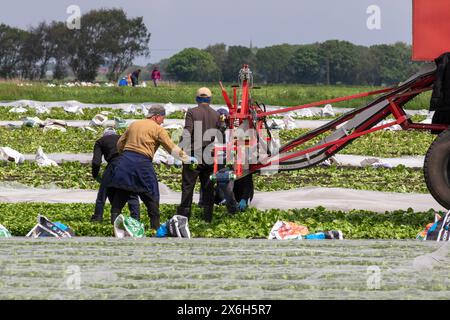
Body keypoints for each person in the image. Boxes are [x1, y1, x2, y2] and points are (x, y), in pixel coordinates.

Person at [108, 105, 196, 230]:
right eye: (162, 118)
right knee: (151, 194)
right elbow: (170, 147)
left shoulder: (134, 124)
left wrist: (125, 156)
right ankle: (155, 227)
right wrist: (186, 158)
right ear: (156, 117)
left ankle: (114, 226)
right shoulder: (158, 129)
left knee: (121, 193)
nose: (163, 121)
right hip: (142, 163)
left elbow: (120, 143)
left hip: (125, 162)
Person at [177, 87, 220, 223]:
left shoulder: (192, 112)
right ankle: (208, 218)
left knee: (188, 186)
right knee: (208, 187)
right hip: (209, 155)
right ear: (209, 99)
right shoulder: (216, 114)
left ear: (197, 99)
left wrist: (180, 151)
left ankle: (184, 217)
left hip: (193, 155)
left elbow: (187, 132)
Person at [91, 128, 140, 223]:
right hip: (129, 165)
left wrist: (95, 175)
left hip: (113, 166)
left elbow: (96, 162)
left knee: (103, 193)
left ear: (104, 135)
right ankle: (136, 219)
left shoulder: (101, 141)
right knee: (132, 193)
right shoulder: (124, 138)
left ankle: (98, 217)